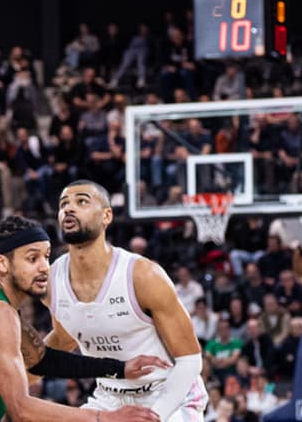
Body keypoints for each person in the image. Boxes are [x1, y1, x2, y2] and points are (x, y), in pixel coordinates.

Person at [0, 216, 164, 422]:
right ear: (2, 263)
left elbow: (39, 359)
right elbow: (21, 409)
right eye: (32, 258)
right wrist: (104, 417)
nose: (45, 266)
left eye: (46, 256)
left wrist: (119, 368)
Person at [45, 181, 208, 422]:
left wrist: (154, 417)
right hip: (108, 398)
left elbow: (190, 361)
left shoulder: (142, 275)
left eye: (81, 202)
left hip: (167, 393)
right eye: (63, 204)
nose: (69, 209)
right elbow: (64, 338)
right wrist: (16, 373)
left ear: (106, 216)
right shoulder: (52, 280)